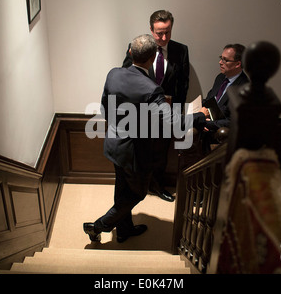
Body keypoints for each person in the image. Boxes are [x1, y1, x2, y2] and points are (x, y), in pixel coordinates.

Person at [83, 34, 208, 243]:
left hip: (114, 144)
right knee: (136, 194)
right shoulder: (152, 89)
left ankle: (124, 230)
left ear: (130, 53)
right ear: (152, 58)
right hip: (135, 152)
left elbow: (105, 109)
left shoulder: (113, 74)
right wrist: (198, 116)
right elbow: (173, 123)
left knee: (122, 188)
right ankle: (98, 226)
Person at [122, 10, 190, 202]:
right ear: (151, 30)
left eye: (167, 32)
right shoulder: (137, 48)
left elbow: (183, 84)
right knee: (140, 152)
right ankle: (139, 187)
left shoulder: (181, 50)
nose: (163, 37)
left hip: (166, 115)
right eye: (159, 32)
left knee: (161, 154)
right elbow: (127, 77)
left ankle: (158, 186)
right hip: (140, 114)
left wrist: (177, 113)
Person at [203, 44, 250, 134]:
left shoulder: (244, 87)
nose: (220, 62)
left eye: (225, 60)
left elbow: (232, 121)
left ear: (238, 64)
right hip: (208, 121)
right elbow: (210, 99)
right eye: (221, 58)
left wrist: (206, 123)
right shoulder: (220, 77)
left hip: (222, 130)